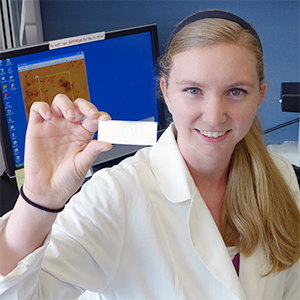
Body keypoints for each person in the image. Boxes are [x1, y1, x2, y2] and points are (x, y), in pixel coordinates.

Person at [0, 9, 299, 300]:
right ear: (166, 92)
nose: (213, 116)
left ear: (260, 95)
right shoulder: (115, 195)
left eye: (236, 92)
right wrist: (39, 200)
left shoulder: (280, 175)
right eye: (193, 90)